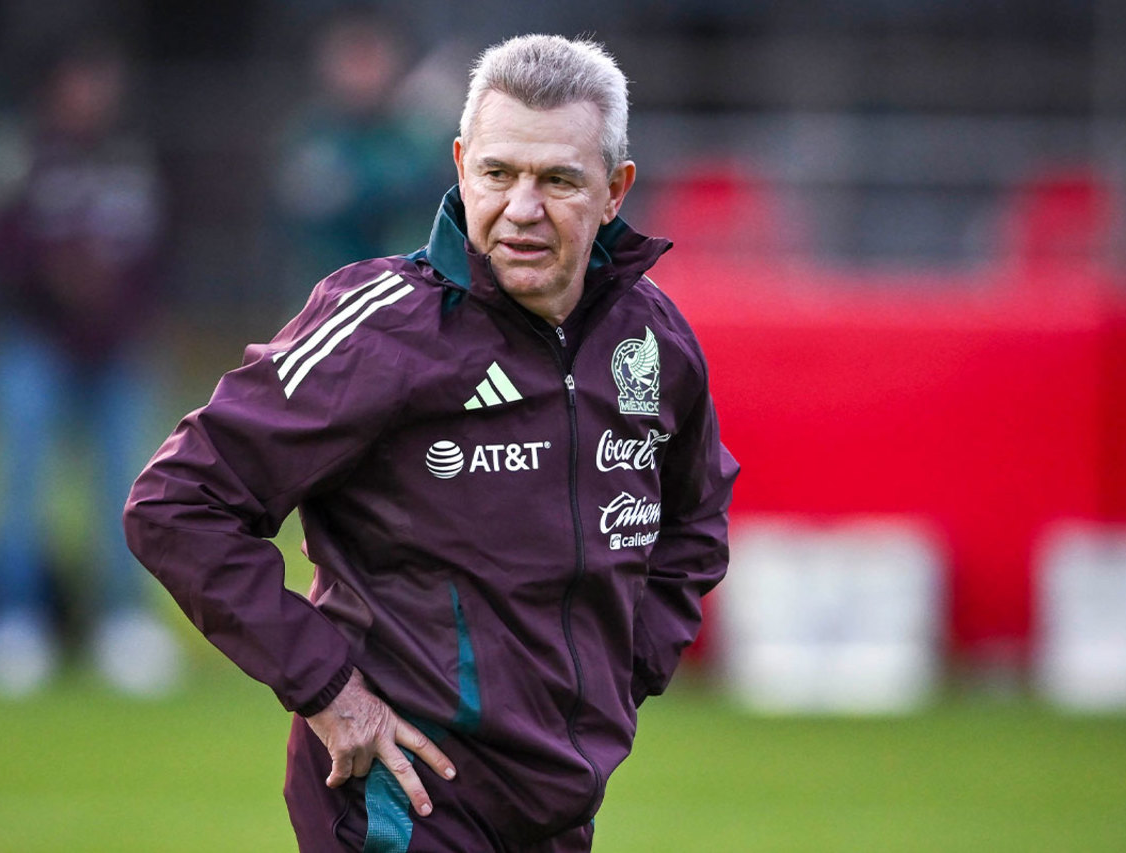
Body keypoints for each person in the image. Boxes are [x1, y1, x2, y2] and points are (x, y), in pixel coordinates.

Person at [124, 34, 737, 851]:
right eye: (498, 173)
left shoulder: (653, 338)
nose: (523, 207)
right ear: (459, 164)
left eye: (558, 179)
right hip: (401, 798)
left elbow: (692, 523)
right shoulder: (380, 328)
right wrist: (327, 688)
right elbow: (177, 503)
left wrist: (625, 674)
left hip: (559, 802)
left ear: (615, 189)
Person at [0, 35, 179, 697]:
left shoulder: (131, 154)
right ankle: (13, 623)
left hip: (118, 347)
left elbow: (159, 249)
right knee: (20, 485)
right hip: (33, 341)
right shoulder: (13, 149)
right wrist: (48, 279)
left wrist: (127, 310)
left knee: (130, 488)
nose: (94, 92)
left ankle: (121, 624)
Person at [271, 7, 459, 290]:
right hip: (328, 294)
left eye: (371, 60)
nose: (363, 74)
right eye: (353, 60)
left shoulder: (411, 130)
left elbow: (443, 192)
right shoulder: (313, 134)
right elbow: (321, 202)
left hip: (404, 295)